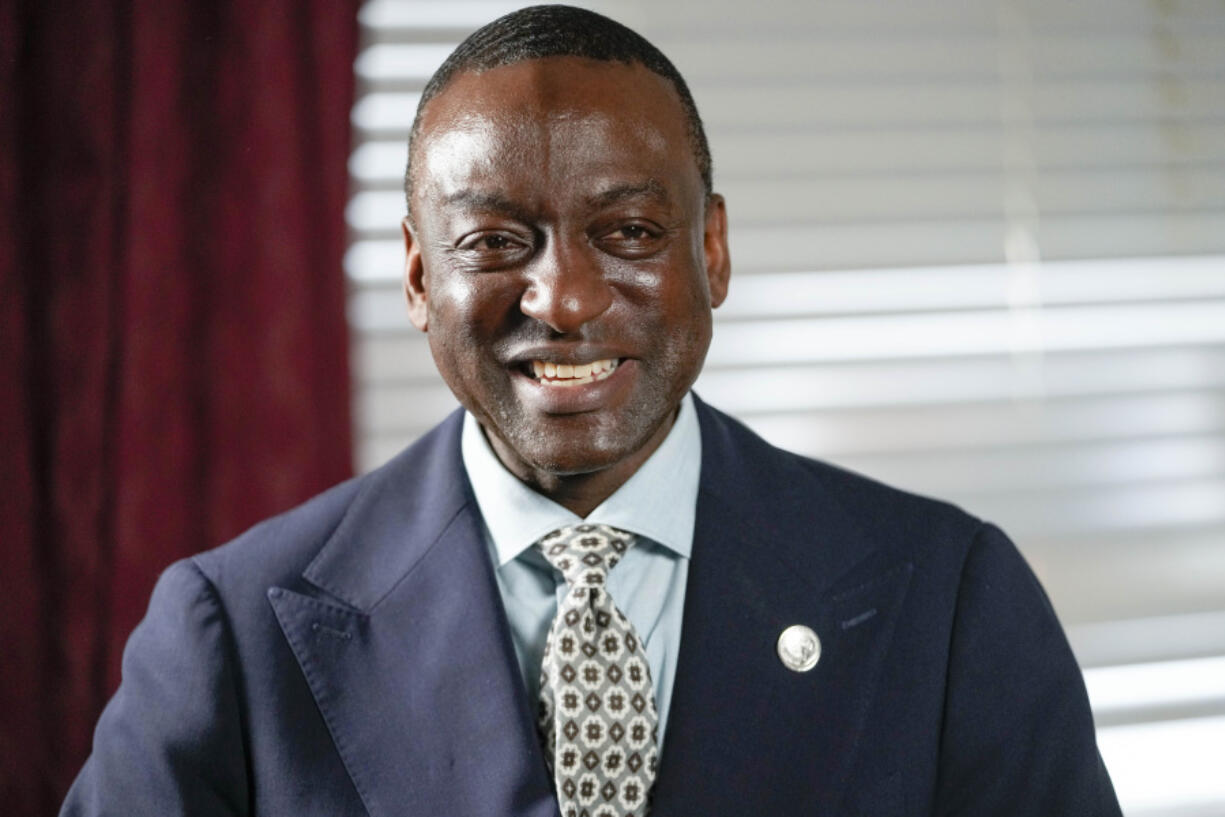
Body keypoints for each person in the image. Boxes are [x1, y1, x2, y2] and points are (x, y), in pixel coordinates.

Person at [62, 5, 1121, 816]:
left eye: (627, 232)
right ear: (420, 275)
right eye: (492, 242)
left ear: (710, 251)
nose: (563, 299)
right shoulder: (230, 635)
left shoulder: (945, 602)